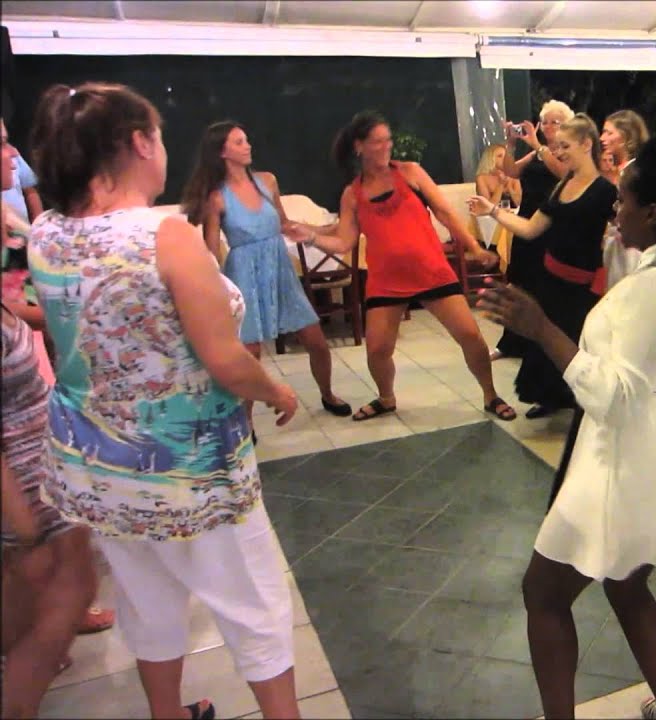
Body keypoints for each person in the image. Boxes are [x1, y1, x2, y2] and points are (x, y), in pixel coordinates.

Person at [26, 82, 303, 720]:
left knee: (146, 599)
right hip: (190, 471)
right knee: (254, 605)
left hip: (98, 468)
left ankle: (165, 714)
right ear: (137, 143)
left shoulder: (47, 233)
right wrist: (277, 388)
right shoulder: (165, 236)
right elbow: (226, 359)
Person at [478, 131, 656, 720]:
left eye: (622, 201)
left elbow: (616, 396)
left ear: (654, 213)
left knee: (542, 594)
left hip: (629, 453)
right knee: (624, 583)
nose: (614, 208)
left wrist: (542, 328)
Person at [301, 111, 513, 423]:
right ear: (359, 147)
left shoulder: (410, 172)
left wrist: (475, 247)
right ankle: (386, 398)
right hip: (386, 282)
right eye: (377, 142)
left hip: (432, 272)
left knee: (470, 335)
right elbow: (344, 241)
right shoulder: (352, 194)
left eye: (388, 140)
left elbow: (444, 212)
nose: (386, 146)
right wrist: (311, 238)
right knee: (377, 349)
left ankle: (490, 395)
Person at [0, 117, 97, 720]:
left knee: (34, 599)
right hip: (20, 478)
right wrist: (22, 524)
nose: (11, 153)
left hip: (40, 458)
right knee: (65, 591)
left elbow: (19, 292)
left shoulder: (8, 239)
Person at [181, 121, 351, 435]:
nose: (248, 146)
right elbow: (210, 249)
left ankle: (327, 394)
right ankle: (245, 421)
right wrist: (210, 289)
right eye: (239, 142)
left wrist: (323, 231)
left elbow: (285, 224)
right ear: (222, 152)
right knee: (251, 352)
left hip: (278, 266)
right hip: (243, 271)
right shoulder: (216, 198)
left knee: (315, 340)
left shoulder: (267, 181)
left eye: (246, 140)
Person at [467, 114, 617, 419]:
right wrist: (492, 210)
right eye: (558, 146)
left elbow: (623, 232)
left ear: (587, 144)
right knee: (547, 344)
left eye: (565, 146)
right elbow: (530, 229)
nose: (558, 152)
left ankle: (581, 405)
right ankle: (553, 399)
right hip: (551, 279)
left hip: (582, 287)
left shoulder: (605, 189)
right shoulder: (563, 185)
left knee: (576, 348)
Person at [493, 100, 574, 361]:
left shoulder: (564, 152)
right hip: (526, 218)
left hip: (551, 223)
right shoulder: (537, 152)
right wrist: (511, 143)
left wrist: (538, 146)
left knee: (546, 283)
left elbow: (563, 174)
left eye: (555, 122)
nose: (549, 127)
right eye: (546, 121)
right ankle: (511, 342)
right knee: (519, 280)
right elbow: (510, 170)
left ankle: (544, 340)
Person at [600, 109, 650, 288]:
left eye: (609, 133)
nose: (602, 138)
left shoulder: (636, 171)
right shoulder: (617, 171)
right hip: (616, 248)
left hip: (632, 251)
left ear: (626, 136)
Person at [474, 143, 522, 255]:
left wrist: (509, 186)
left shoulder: (513, 175)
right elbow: (488, 206)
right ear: (490, 159)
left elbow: (519, 202)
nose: (504, 160)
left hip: (513, 219)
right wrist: (500, 185)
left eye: (505, 156)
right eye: (499, 156)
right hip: (493, 221)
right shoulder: (482, 178)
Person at [1, 148, 42, 225]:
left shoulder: (13, 155)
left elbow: (30, 189)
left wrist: (39, 223)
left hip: (24, 229)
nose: (13, 166)